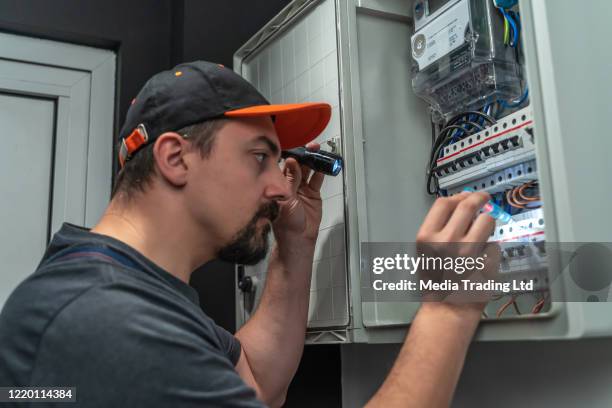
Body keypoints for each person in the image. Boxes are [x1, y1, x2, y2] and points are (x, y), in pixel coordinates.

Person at [0, 60, 495, 407]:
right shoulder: (106, 319)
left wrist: (296, 247)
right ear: (176, 158)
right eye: (260, 157)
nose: (281, 186)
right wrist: (448, 310)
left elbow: (257, 382)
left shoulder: (124, 287)